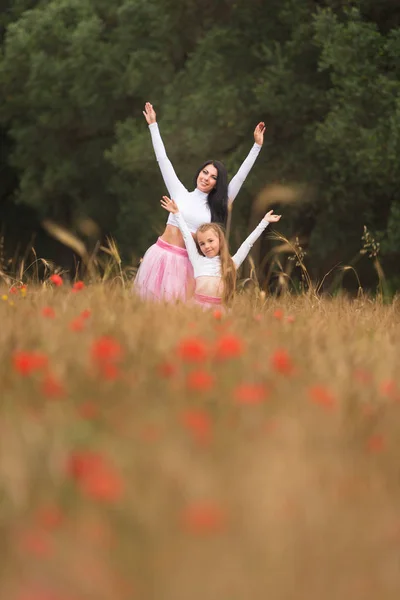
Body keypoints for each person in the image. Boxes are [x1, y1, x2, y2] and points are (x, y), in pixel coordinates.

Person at [134, 101, 266, 302]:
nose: (206, 177)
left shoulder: (217, 204)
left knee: (176, 314)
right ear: (199, 173)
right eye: (205, 172)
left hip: (186, 264)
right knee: (148, 309)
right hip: (159, 255)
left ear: (216, 183)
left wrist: (256, 146)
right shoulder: (179, 192)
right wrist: (153, 125)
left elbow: (240, 177)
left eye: (213, 176)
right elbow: (163, 159)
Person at [160, 196, 282, 309]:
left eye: (210, 241)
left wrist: (264, 222)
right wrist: (176, 213)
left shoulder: (231, 263)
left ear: (219, 240)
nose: (207, 246)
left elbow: (248, 244)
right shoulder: (197, 260)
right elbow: (186, 236)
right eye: (202, 243)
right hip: (197, 308)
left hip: (220, 309)